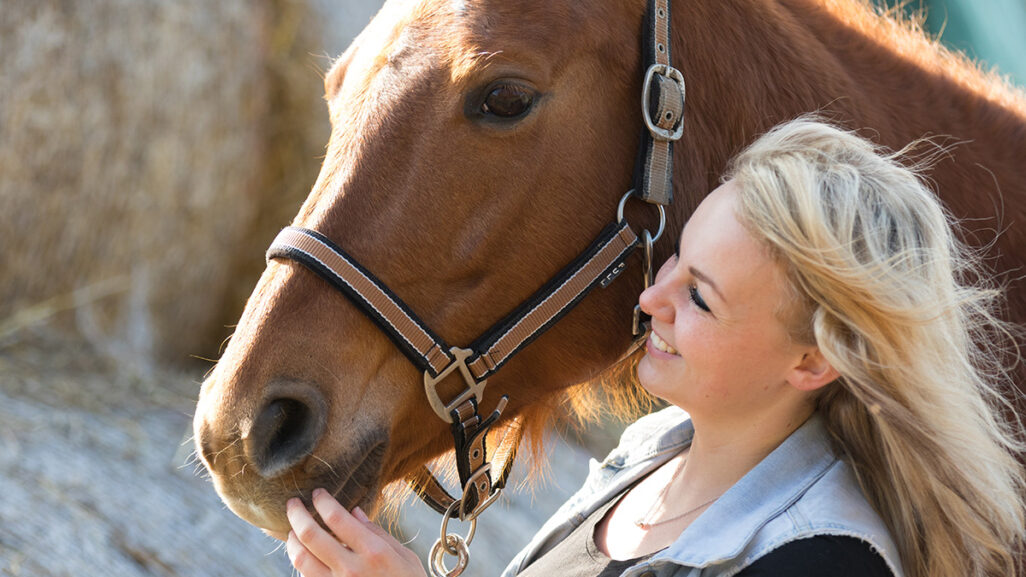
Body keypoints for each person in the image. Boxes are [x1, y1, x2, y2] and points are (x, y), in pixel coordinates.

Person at [282, 118, 1026, 577]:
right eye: (675, 260)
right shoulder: (649, 454)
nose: (650, 299)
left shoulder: (825, 562)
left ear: (811, 361)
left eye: (700, 296)